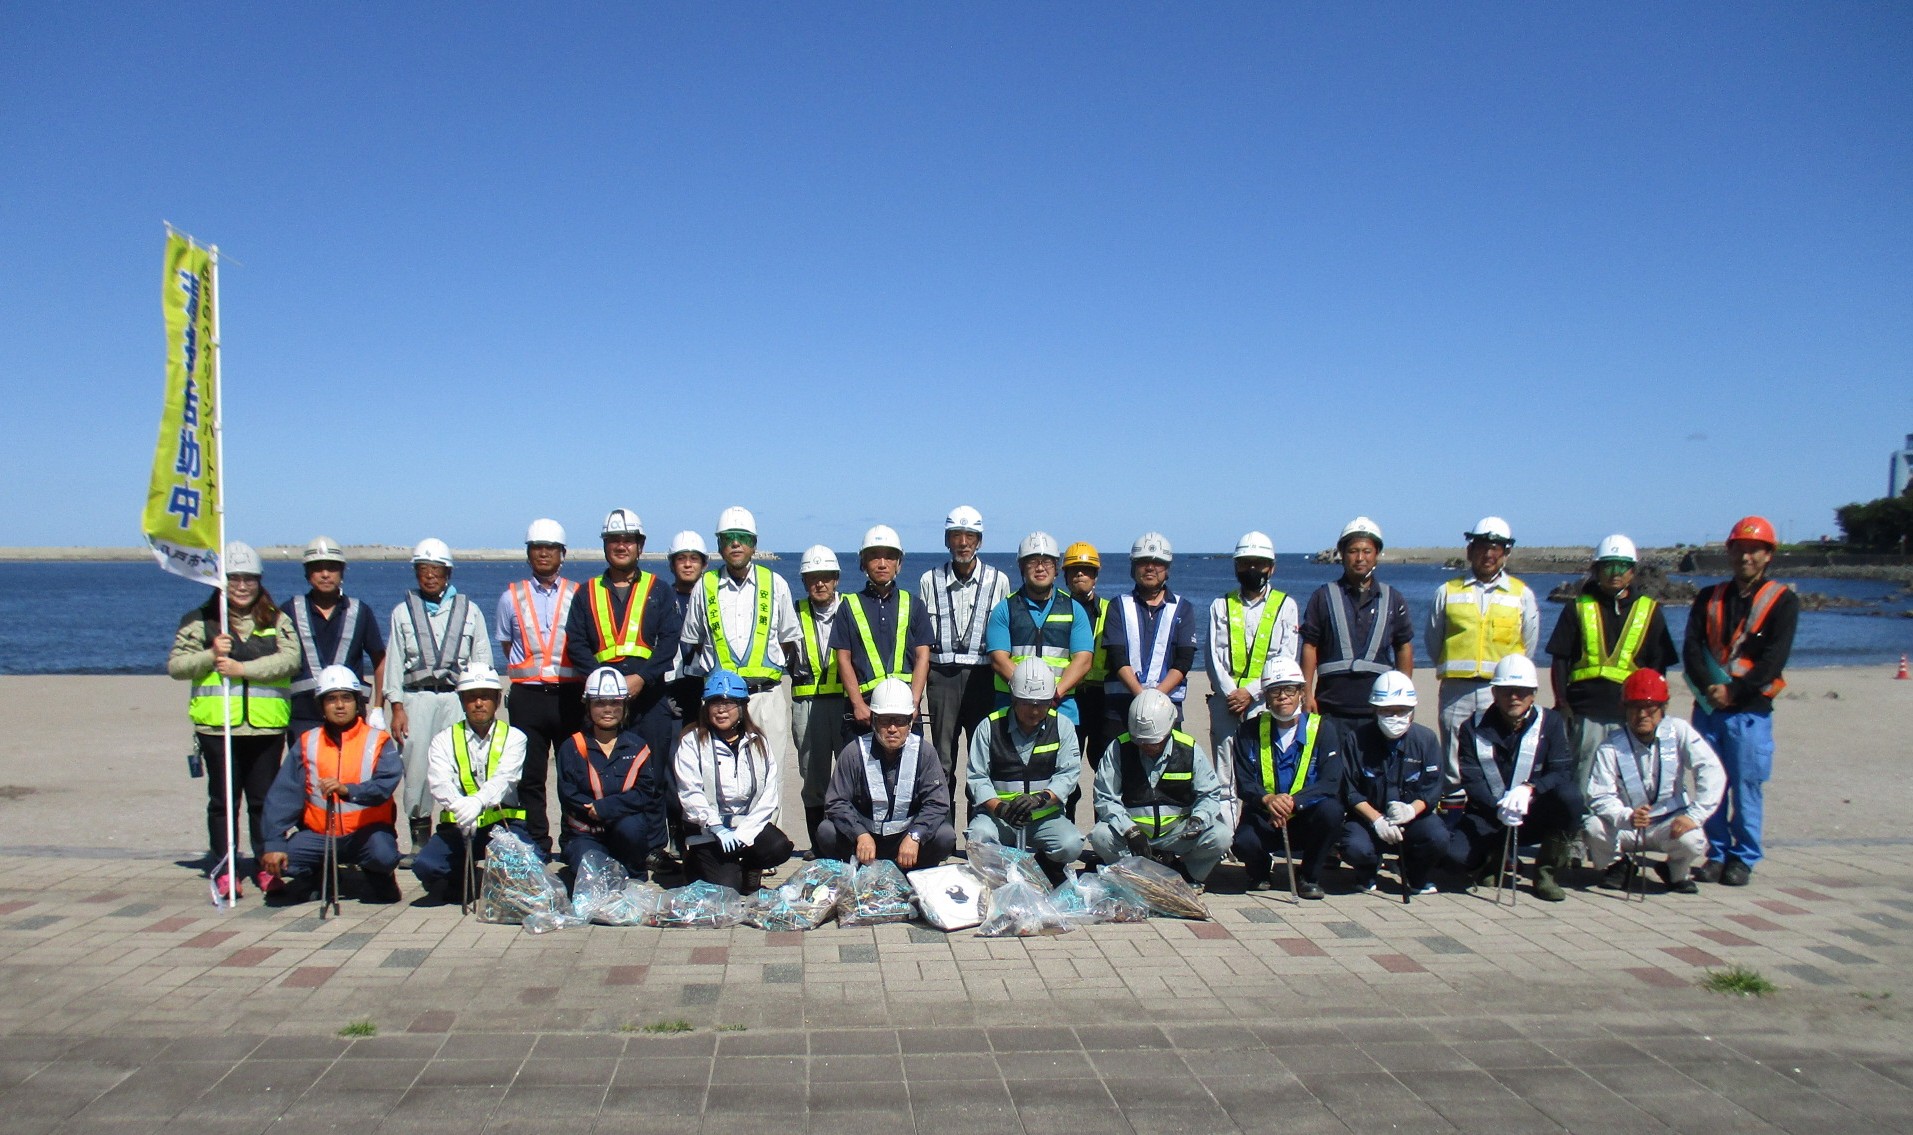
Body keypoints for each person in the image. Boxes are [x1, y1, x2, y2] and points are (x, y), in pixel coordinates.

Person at [169, 541, 301, 900]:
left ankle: (265, 864)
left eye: (248, 579)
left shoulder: (276, 619)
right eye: (233, 578)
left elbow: (290, 661)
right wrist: (211, 655)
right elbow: (177, 666)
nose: (241, 586)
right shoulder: (200, 620)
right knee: (223, 802)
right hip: (218, 728)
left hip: (265, 726)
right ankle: (225, 866)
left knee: (264, 801)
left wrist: (244, 668)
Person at [1681, 515, 1798, 888]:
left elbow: (1773, 660)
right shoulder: (1708, 597)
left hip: (1750, 711)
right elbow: (1692, 648)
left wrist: (1736, 690)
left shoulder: (1783, 601)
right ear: (1729, 551)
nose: (1746, 557)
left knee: (1746, 784)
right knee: (1710, 782)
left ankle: (1743, 857)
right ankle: (1715, 852)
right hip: (1710, 707)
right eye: (1740, 549)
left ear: (1768, 556)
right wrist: (1710, 687)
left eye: (1754, 550)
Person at [258, 665, 403, 903]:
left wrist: (349, 790)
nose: (339, 705)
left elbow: (385, 785)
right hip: (319, 834)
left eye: (346, 698)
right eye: (331, 699)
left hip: (366, 834)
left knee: (384, 855)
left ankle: (380, 877)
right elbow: (283, 795)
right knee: (285, 859)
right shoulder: (307, 742)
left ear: (357, 702)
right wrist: (274, 842)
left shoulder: (377, 740)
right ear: (321, 705)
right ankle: (319, 874)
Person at [562, 508, 682, 791]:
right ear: (604, 545)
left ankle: (655, 837)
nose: (621, 545)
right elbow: (576, 642)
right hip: (602, 702)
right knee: (603, 777)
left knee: (654, 778)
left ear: (640, 546)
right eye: (613, 539)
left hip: (648, 697)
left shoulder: (659, 590)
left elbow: (669, 641)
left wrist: (642, 678)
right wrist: (605, 687)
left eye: (628, 539)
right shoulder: (586, 592)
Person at [384, 538, 492, 854]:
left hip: (457, 700)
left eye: (436, 570)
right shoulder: (402, 613)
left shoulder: (470, 611)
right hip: (417, 699)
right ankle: (419, 839)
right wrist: (396, 707)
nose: (430, 576)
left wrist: (481, 703)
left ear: (448, 573)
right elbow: (394, 661)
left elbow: (482, 658)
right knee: (416, 767)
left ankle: (456, 836)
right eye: (423, 570)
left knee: (461, 766)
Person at [1544, 534, 1677, 786]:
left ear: (1633, 571)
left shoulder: (1649, 611)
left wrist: (1653, 710)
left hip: (1630, 713)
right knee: (1584, 779)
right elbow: (1560, 660)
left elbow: (1658, 667)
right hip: (1585, 714)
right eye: (1607, 566)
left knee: (1629, 781)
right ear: (1596, 569)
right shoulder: (1577, 607)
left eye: (1622, 566)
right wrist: (1562, 704)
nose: (1615, 573)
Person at [678, 507, 803, 774]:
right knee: (720, 777)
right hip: (719, 702)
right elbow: (696, 639)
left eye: (743, 537)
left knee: (771, 777)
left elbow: (787, 639)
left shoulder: (775, 583)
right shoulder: (704, 585)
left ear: (754, 545)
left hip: (765, 697)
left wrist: (763, 665)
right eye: (728, 538)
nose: (735, 543)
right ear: (719, 545)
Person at [1447, 655, 1581, 902]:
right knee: (1456, 856)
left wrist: (1532, 789)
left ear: (1533, 694)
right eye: (1507, 691)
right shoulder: (1472, 727)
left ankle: (1546, 873)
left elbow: (1561, 772)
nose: (1514, 697)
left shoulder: (1550, 722)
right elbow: (1472, 780)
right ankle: (1494, 857)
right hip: (1489, 813)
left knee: (1570, 798)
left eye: (1521, 691)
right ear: (1495, 692)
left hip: (1533, 813)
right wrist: (1497, 807)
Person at [1584, 669, 1725, 895]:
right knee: (1592, 827)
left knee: (1693, 839)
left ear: (1663, 708)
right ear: (1624, 709)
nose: (1642, 715)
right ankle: (1619, 866)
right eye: (1635, 707)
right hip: (1627, 826)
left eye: (1650, 708)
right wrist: (1626, 816)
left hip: (1668, 822)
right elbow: (1600, 795)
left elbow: (1710, 769)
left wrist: (1694, 815)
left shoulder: (1679, 731)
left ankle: (1675, 871)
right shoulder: (1611, 745)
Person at [1426, 516, 1539, 782]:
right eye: (1481, 547)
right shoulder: (1447, 591)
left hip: (1500, 690)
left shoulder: (1521, 594)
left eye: (1496, 548)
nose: (1488, 554)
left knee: (1497, 752)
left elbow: (1529, 643)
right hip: (1457, 690)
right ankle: (1454, 808)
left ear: (1505, 553)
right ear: (1469, 550)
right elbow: (1433, 640)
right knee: (1454, 756)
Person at [494, 518, 583, 855]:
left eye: (550, 549)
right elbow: (507, 644)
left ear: (563, 554)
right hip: (528, 696)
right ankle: (538, 841)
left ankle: (574, 838)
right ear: (528, 553)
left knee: (571, 772)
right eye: (537, 549)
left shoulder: (578, 593)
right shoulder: (510, 597)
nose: (543, 554)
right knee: (530, 774)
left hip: (569, 694)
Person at [1223, 660, 1346, 898]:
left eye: (1289, 689)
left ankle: (1308, 875)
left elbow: (1331, 781)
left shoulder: (1324, 729)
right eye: (1275, 691)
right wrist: (1268, 799)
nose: (1283, 697)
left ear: (1301, 692)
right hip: (1266, 815)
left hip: (1306, 814)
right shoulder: (1249, 731)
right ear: (1266, 697)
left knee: (1332, 813)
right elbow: (1245, 783)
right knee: (1243, 842)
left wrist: (1295, 802)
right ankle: (1259, 872)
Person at [1089, 689, 1230, 888]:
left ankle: (1190, 875)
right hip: (1135, 834)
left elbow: (1210, 793)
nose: (1147, 747)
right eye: (1141, 741)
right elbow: (1105, 797)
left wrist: (1198, 819)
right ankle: (1131, 874)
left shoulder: (1189, 749)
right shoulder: (1118, 749)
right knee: (1100, 836)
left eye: (1154, 742)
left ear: (1170, 729)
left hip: (1178, 834)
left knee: (1221, 836)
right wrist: (1129, 830)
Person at [1205, 531, 1298, 830]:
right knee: (1225, 772)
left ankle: (1259, 832)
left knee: (1263, 769)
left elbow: (1286, 657)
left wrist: (1252, 692)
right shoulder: (1221, 605)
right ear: (1236, 567)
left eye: (1259, 564)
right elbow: (1212, 656)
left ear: (1271, 567)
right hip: (1226, 701)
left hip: (1265, 701)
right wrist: (1233, 693)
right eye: (1246, 564)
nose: (1252, 570)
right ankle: (1227, 834)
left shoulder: (1286, 606)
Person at [672, 670, 795, 892]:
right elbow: (689, 792)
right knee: (728, 888)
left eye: (729, 704)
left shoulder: (758, 742)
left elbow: (769, 794)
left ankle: (750, 869)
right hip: (707, 832)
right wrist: (716, 827)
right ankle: (695, 864)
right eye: (715, 703)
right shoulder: (692, 742)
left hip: (743, 827)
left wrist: (744, 834)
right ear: (705, 707)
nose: (721, 710)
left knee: (779, 847)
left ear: (741, 707)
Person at [412, 666, 526, 902]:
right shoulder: (443, 740)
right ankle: (462, 875)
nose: (478, 703)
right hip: (458, 826)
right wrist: (462, 808)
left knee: (524, 869)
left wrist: (478, 801)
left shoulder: (515, 737)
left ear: (497, 699)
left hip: (503, 825)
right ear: (462, 701)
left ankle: (494, 876)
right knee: (426, 867)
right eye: (471, 696)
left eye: (485, 696)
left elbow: (506, 777)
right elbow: (439, 781)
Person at [966, 659, 1085, 882]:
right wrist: (1000, 808)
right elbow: (977, 776)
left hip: (1043, 816)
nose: (1034, 710)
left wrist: (1042, 799)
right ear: (1013, 698)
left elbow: (1068, 774)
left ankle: (1042, 866)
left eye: (1041, 703)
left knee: (1071, 844)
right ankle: (997, 875)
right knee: (979, 837)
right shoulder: (989, 727)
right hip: (999, 817)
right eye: (1027, 703)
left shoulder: (1063, 726)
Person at [920, 505, 1011, 794]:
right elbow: (920, 639)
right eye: (956, 535)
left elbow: (1005, 634)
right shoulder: (928, 580)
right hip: (941, 678)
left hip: (983, 678)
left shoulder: (998, 580)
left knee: (981, 759)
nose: (963, 542)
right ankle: (942, 832)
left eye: (970, 536)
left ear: (979, 540)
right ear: (946, 540)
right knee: (942, 761)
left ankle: (978, 831)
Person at [818, 678, 956, 868]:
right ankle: (851, 873)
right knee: (826, 831)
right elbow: (836, 802)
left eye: (899, 721)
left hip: (906, 843)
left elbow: (937, 803)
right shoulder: (853, 753)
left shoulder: (925, 753)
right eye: (885, 721)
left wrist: (916, 835)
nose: (892, 729)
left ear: (910, 722)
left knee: (945, 835)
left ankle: (916, 874)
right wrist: (859, 833)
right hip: (865, 844)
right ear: (873, 720)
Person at [1338, 671, 1447, 896]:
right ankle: (1366, 872)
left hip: (1412, 819)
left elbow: (1433, 788)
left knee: (1437, 836)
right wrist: (1377, 820)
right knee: (1354, 845)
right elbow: (1349, 790)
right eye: (1387, 711)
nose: (1395, 717)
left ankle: (1415, 875)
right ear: (1375, 711)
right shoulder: (1356, 740)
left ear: (1412, 712)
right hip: (1369, 821)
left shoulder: (1426, 740)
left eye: (1401, 711)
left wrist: (1410, 810)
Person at [557, 666, 670, 881]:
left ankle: (633, 871)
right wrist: (593, 812)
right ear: (588, 706)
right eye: (600, 703)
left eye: (615, 703)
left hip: (623, 832)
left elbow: (645, 792)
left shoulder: (637, 747)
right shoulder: (571, 747)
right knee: (592, 876)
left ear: (625, 706)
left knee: (633, 828)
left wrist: (605, 808)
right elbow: (568, 794)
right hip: (585, 833)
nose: (608, 709)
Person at [1301, 517, 1414, 728]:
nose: (1360, 558)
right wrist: (1307, 694)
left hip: (1377, 709)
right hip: (1330, 708)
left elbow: (1403, 647)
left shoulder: (1393, 599)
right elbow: (1310, 646)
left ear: (1376, 555)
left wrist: (1405, 696)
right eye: (1353, 551)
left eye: (1367, 551)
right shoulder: (1322, 597)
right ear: (1342, 554)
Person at [831, 526, 933, 732]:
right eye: (874, 557)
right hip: (864, 711)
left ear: (899, 564)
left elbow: (923, 656)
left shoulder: (914, 604)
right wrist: (857, 704)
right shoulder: (849, 606)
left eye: (889, 557)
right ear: (863, 563)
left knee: (911, 763)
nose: (882, 564)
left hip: (905, 708)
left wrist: (914, 702)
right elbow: (843, 658)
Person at [985, 531, 1094, 722]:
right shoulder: (1005, 609)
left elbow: (1083, 660)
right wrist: (1029, 694)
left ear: (1057, 568)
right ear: (1021, 566)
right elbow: (999, 659)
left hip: (1061, 709)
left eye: (1047, 562)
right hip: (1011, 707)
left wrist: (1053, 694)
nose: (1040, 568)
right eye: (1032, 562)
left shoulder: (1073, 610)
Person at [284, 536, 385, 738]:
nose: (325, 574)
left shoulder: (360, 612)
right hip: (303, 718)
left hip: (349, 717)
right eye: (317, 568)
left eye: (331, 568)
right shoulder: (289, 612)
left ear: (342, 572)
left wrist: (378, 707)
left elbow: (380, 660)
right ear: (307, 574)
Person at [1102, 532, 1198, 740]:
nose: (1150, 568)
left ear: (1167, 569)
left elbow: (1184, 661)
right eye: (1143, 562)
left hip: (1167, 708)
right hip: (1120, 710)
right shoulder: (1118, 606)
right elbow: (1117, 657)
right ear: (1133, 566)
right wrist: (1142, 696)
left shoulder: (1183, 609)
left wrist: (1154, 699)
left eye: (1158, 563)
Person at [790, 545, 849, 852]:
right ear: (804, 581)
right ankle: (818, 844)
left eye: (825, 577)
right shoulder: (793, 611)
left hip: (844, 703)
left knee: (850, 775)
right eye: (813, 577)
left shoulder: (852, 608)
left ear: (836, 579)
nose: (820, 583)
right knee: (813, 779)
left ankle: (847, 838)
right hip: (807, 702)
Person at [1061, 541, 1112, 799]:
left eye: (1086, 569)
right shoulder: (1059, 610)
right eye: (1074, 570)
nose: (1080, 574)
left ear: (1095, 575)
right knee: (1066, 767)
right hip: (1069, 696)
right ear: (1066, 577)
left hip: (1102, 699)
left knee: (1105, 770)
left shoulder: (1111, 611)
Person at [661, 530, 711, 724]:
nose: (688, 564)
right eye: (681, 558)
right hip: (671, 687)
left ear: (704, 564)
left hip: (707, 683)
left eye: (694, 558)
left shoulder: (715, 600)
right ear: (672, 564)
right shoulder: (661, 599)